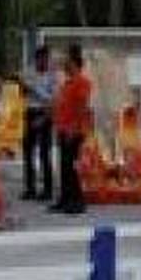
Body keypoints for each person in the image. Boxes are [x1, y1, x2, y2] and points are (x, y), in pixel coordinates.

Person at [50, 44, 92, 214]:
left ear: (74, 63)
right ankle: (65, 199)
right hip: (64, 129)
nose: (64, 65)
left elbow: (81, 108)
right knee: (64, 166)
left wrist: (73, 129)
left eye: (67, 62)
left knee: (72, 167)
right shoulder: (67, 83)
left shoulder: (82, 82)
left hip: (74, 131)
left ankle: (77, 201)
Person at [21, 47, 56, 201]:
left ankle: (47, 190)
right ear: (37, 60)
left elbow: (52, 99)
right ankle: (30, 188)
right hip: (30, 112)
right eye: (41, 60)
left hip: (45, 113)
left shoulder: (52, 76)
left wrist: (34, 90)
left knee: (44, 152)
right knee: (28, 152)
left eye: (46, 60)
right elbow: (24, 91)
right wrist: (27, 89)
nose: (44, 63)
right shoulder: (29, 72)